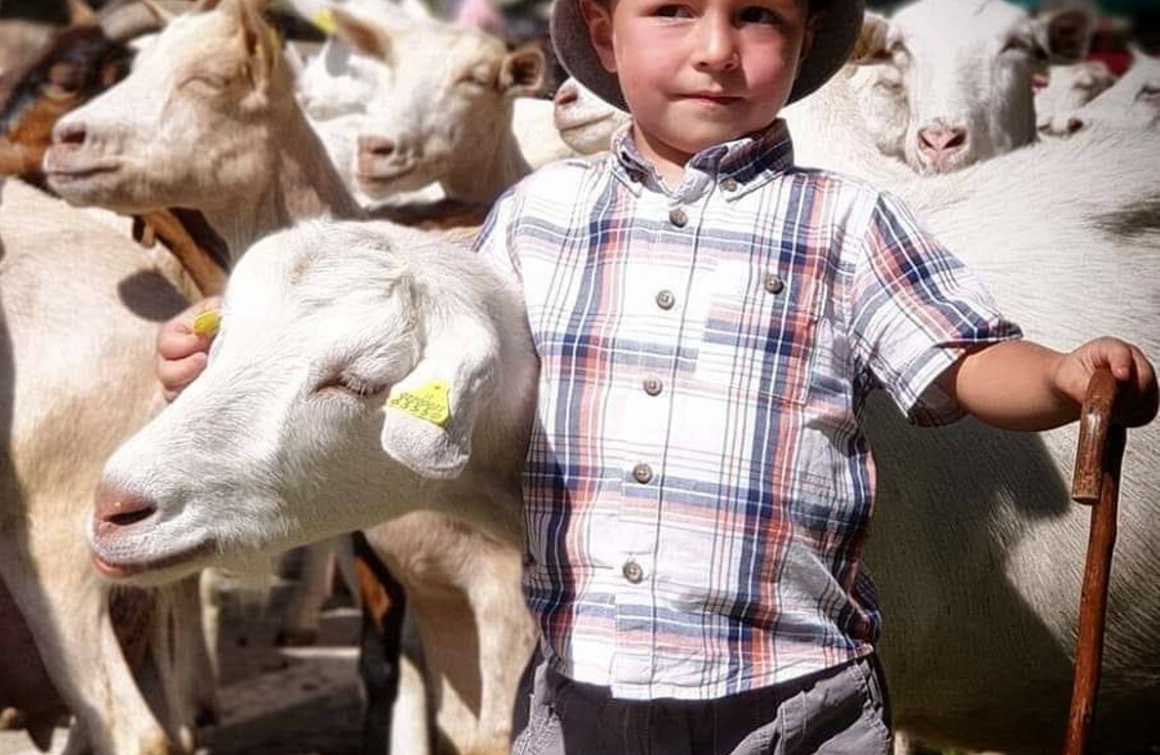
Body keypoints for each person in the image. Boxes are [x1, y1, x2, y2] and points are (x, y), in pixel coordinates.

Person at [156, 0, 1158, 751]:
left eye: (756, 16)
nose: (716, 47)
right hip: (588, 687)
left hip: (797, 692)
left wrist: (1064, 373)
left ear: (804, 42)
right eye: (673, 10)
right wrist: (240, 354)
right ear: (604, 32)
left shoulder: (851, 222)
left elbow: (961, 357)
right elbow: (428, 346)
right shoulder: (535, 218)